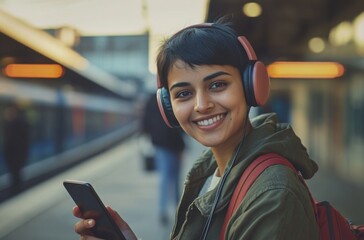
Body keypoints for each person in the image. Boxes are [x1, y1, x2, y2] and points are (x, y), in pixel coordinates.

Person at [72, 17, 320, 239]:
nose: (201, 105)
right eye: (184, 93)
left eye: (217, 85)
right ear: (168, 106)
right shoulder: (210, 171)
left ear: (251, 87)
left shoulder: (272, 195)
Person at [141, 92, 185, 225]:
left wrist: (149, 136)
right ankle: (178, 209)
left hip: (161, 144)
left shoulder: (151, 98)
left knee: (165, 178)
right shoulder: (173, 95)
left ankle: (164, 211)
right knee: (175, 178)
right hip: (175, 144)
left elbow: (145, 121)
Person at [3, 103, 30, 193]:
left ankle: (16, 191)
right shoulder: (21, 122)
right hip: (16, 157)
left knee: (15, 176)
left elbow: (11, 142)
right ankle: (17, 190)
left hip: (15, 156)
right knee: (16, 175)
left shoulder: (15, 124)